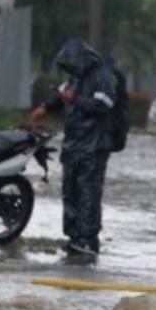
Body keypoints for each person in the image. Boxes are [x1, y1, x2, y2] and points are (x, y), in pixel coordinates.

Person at [30, 38, 118, 265]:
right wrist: (45, 107)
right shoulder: (75, 78)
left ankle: (88, 241)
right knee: (70, 191)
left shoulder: (102, 77)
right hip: (73, 143)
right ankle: (73, 237)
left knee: (88, 193)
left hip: (94, 145)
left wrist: (76, 99)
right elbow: (60, 95)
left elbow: (106, 105)